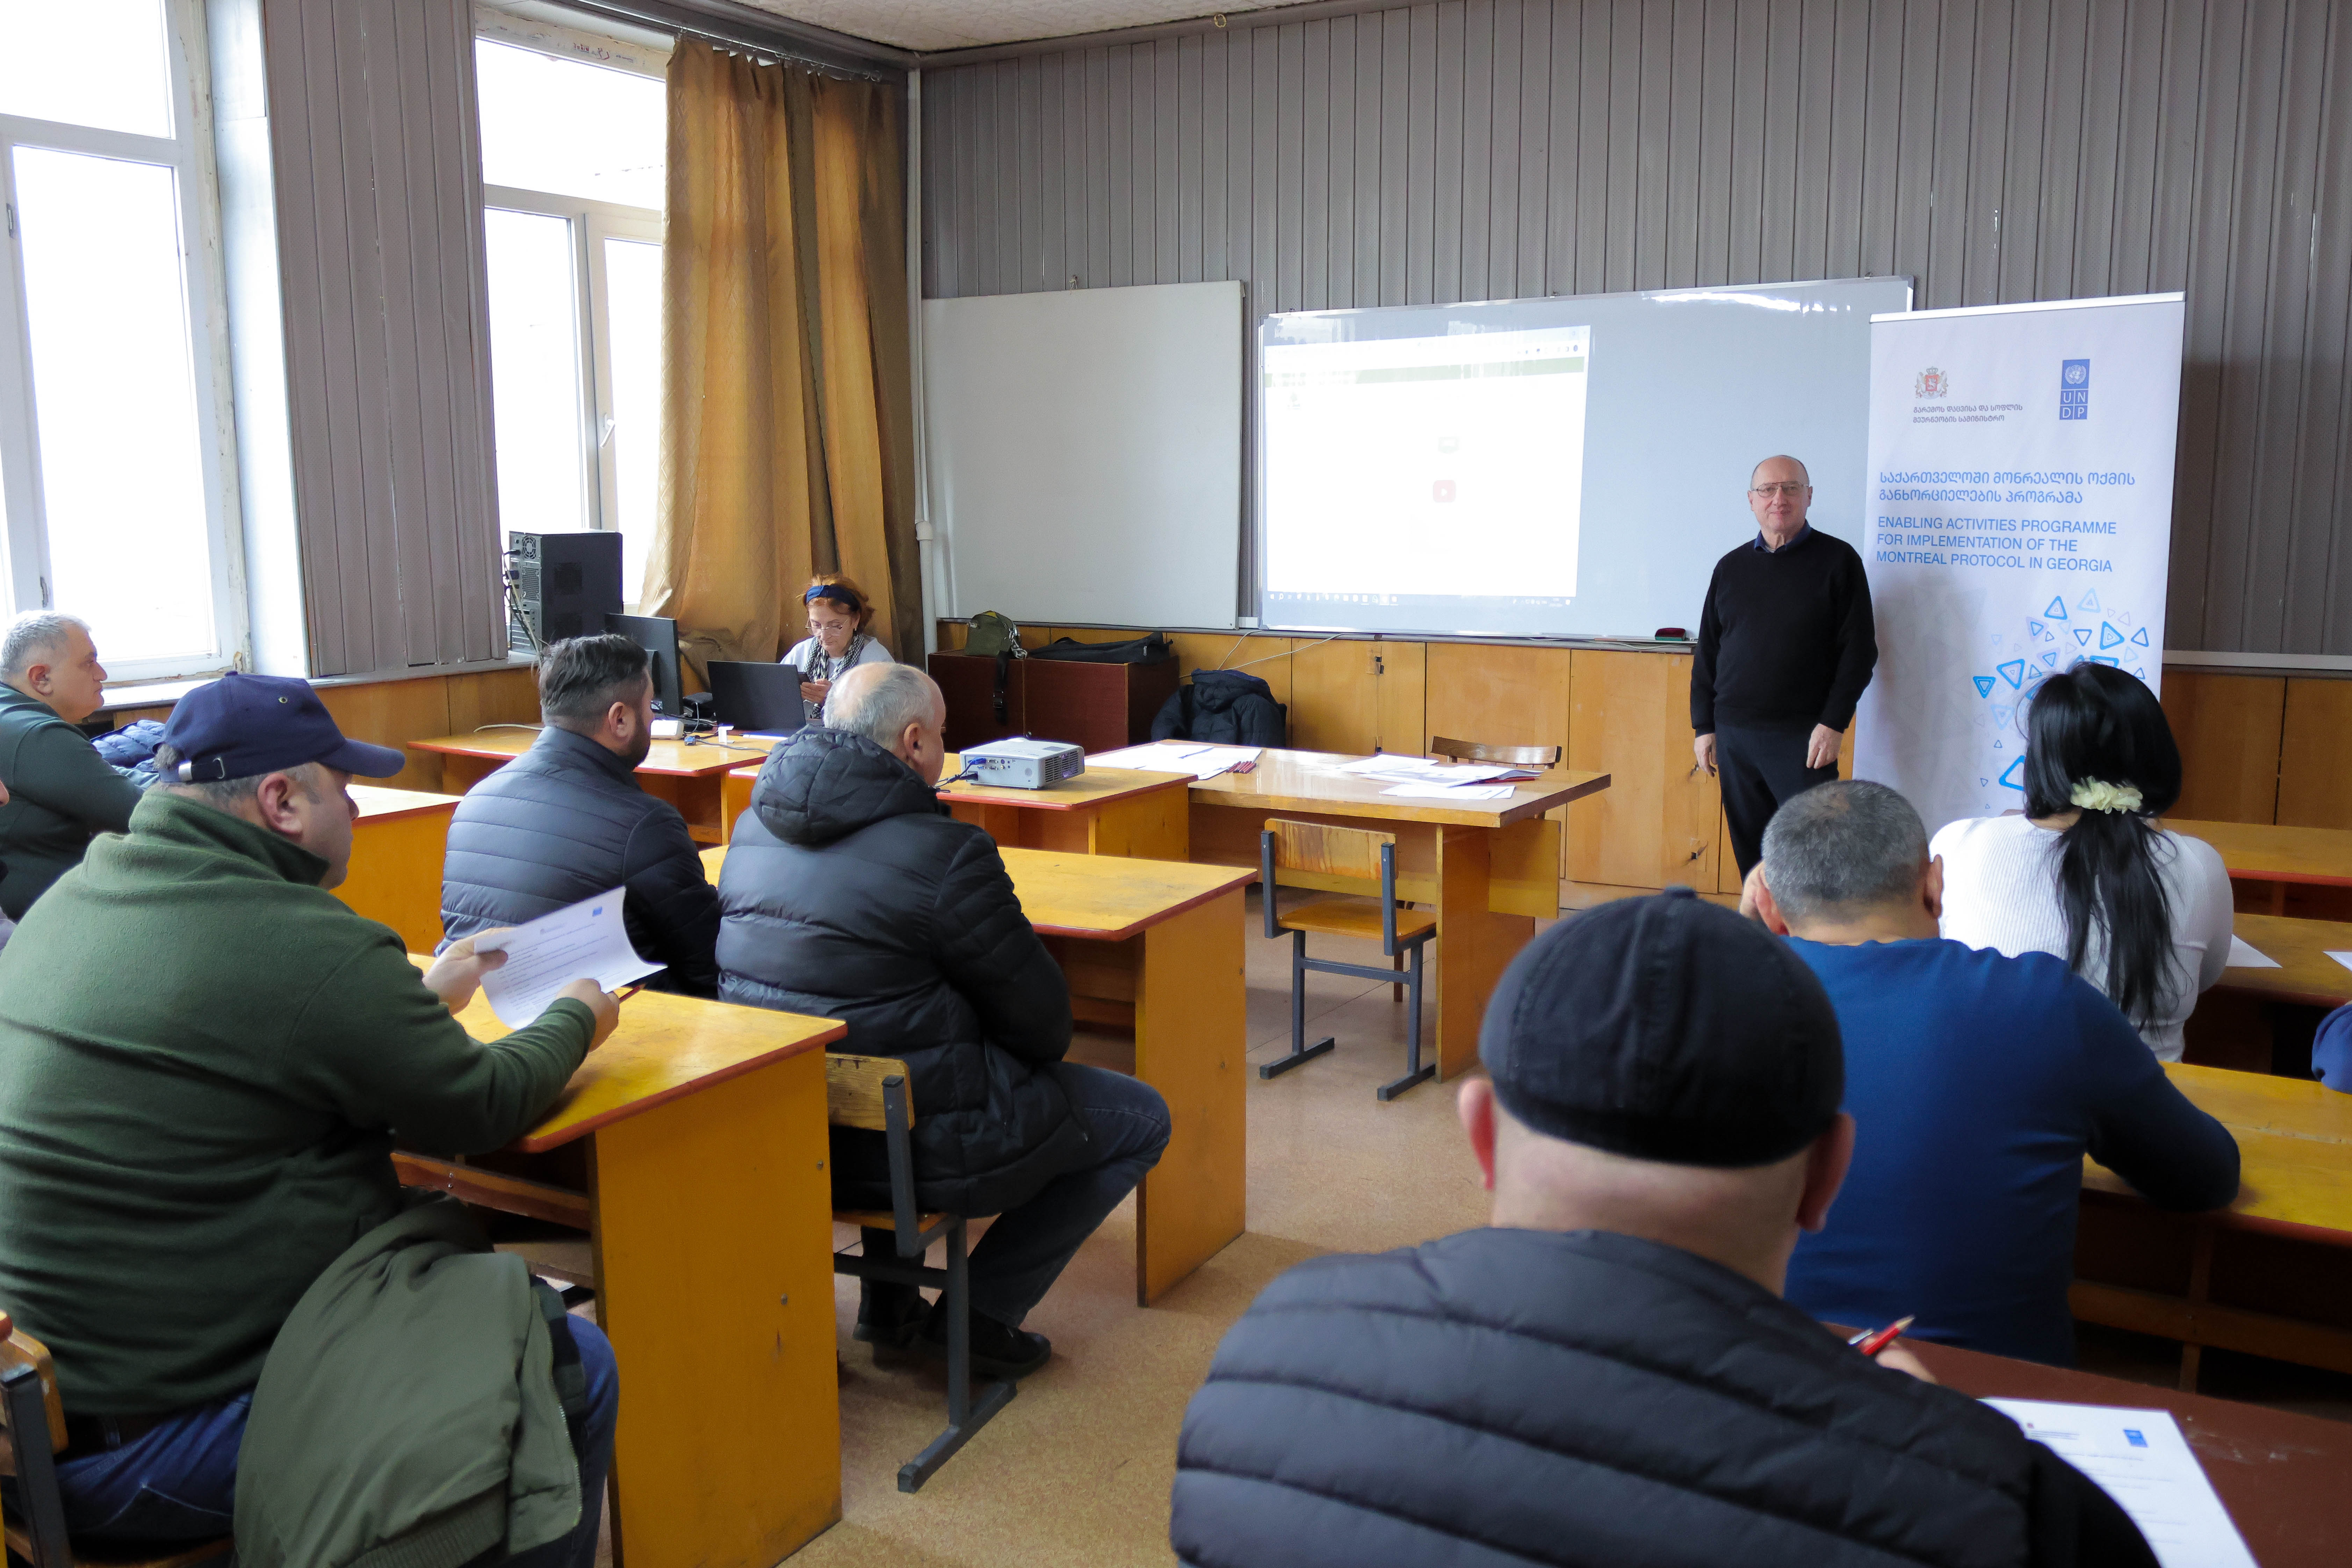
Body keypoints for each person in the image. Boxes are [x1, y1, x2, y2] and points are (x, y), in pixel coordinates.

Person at [1171, 889, 2158, 1568]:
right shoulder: (2004, 1512)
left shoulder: (1267, 1368)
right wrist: (1922, 1437)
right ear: (1827, 1173)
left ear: (1481, 1135)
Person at [0, 671, 621, 1561]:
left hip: (36, 1418)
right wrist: (578, 1016)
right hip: (155, 1447)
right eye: (344, 787)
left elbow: (238, 1036)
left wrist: (419, 995)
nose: (358, 812)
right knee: (565, 1364)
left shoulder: (73, 896)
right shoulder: (301, 939)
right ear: (282, 801)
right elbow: (480, 1104)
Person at [716, 661, 1169, 1378]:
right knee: (1140, 1118)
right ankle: (976, 1317)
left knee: (881, 1053)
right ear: (914, 740)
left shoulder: (751, 829)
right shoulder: (947, 853)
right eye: (944, 735)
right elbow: (1044, 1027)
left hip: (788, 1131)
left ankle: (888, 1303)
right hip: (917, 1148)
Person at [1747, 780, 2239, 1365]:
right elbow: (2204, 1177)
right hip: (1992, 1400)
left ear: (1769, 906)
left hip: (1757, 1379)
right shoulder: (2047, 1002)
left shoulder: (1715, 1004)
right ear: (1934, 884)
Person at [1932, 663, 2232, 1061]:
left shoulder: (1958, 843)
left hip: (1992, 1094)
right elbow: (2208, 976)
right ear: (2157, 755)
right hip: (2149, 1099)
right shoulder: (2199, 865)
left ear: (2040, 758)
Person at [441, 633, 720, 995]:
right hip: (603, 1020)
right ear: (620, 719)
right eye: (651, 705)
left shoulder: (473, 801)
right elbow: (709, 966)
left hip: (477, 1014)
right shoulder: (646, 824)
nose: (654, 717)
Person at [1691, 455, 1878, 877]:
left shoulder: (1839, 561)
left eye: (1791, 488)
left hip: (1805, 738)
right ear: (1751, 500)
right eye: (1768, 489)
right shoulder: (1730, 567)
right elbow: (1708, 652)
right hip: (1735, 736)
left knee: (1811, 855)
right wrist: (1704, 726)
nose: (1779, 498)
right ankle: (1760, 922)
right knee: (1752, 858)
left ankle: (1810, 925)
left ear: (1808, 496)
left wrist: (1833, 724)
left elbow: (1859, 652)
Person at [0, 611, 143, 920]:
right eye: (88, 663)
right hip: (52, 921)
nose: (102, 674)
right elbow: (148, 814)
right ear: (41, 678)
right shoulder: (38, 737)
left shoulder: (10, 710)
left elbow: (97, 771)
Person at [779, 573, 892, 725]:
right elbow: (776, 696)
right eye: (816, 625)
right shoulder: (801, 652)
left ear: (855, 620)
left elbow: (887, 717)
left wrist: (835, 700)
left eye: (835, 626)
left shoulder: (876, 661)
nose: (824, 635)